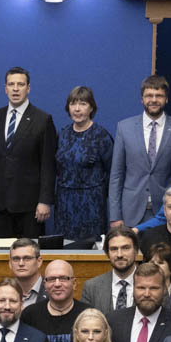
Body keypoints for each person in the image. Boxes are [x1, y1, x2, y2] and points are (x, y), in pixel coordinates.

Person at [0, 67, 56, 238]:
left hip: (30, 205)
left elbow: (48, 165)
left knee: (28, 256)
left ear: (28, 88)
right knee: (0, 257)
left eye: (20, 84)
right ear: (5, 88)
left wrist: (44, 201)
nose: (15, 89)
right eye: (11, 84)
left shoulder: (42, 119)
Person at [108, 74, 171, 230]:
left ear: (166, 99)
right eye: (149, 96)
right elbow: (116, 175)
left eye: (159, 95)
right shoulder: (124, 128)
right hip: (130, 212)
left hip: (166, 212)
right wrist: (115, 216)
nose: (154, 100)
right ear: (142, 99)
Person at [49, 85, 111, 243]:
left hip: (91, 205)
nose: (77, 109)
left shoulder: (101, 135)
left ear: (91, 108)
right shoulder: (62, 134)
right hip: (64, 204)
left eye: (82, 104)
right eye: (73, 104)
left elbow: (112, 172)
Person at [23, 260, 93, 342]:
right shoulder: (30, 315)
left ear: (74, 283)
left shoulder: (88, 314)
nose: (57, 284)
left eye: (63, 278)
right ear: (44, 284)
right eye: (51, 279)